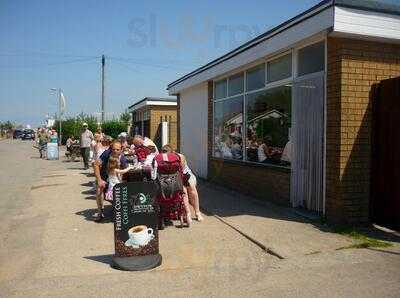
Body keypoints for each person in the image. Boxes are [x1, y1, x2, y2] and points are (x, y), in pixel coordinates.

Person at [160, 144, 203, 222]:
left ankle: (197, 212)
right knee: (184, 191)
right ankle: (188, 213)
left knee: (192, 189)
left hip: (186, 174)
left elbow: (181, 170)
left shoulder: (180, 156)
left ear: (172, 152)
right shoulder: (162, 157)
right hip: (174, 177)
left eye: (168, 154)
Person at [93, 140, 128, 222]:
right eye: (113, 149)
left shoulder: (122, 156)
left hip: (114, 178)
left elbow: (124, 168)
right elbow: (95, 164)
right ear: (111, 148)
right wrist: (99, 180)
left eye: (117, 149)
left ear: (121, 149)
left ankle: (119, 209)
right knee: (99, 190)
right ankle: (100, 212)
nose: (115, 151)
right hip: (104, 176)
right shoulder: (106, 153)